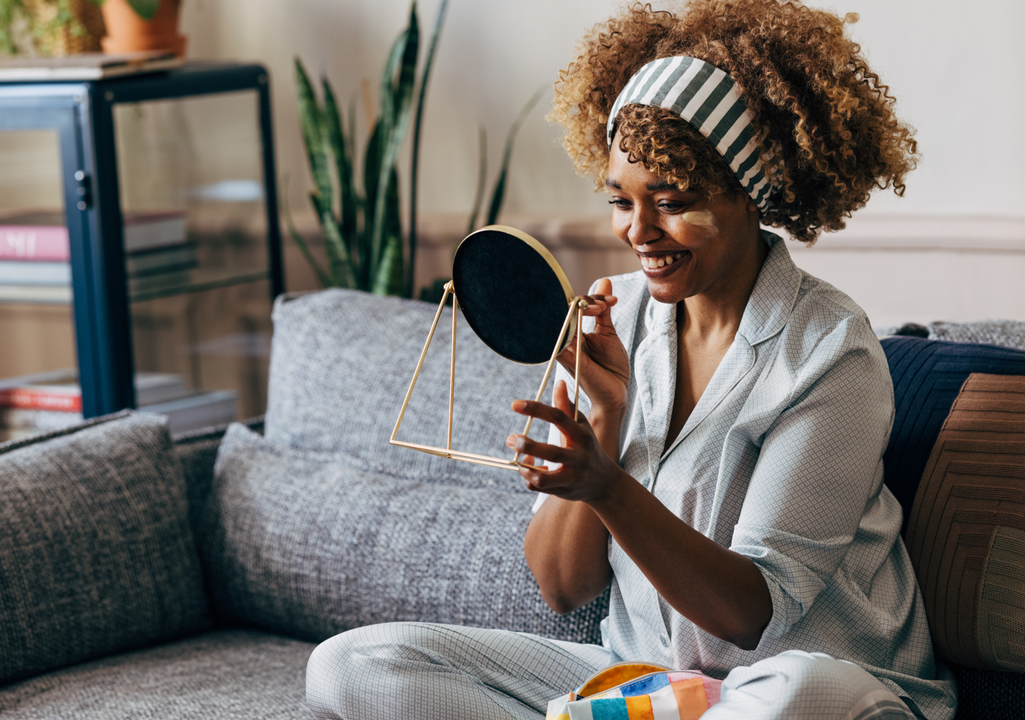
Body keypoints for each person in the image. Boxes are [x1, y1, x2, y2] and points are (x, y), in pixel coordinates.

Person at [306, 1, 957, 718]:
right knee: (353, 665)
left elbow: (750, 615)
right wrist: (606, 417)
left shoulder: (831, 353)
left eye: (672, 200)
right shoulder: (612, 315)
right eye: (621, 200)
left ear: (750, 192)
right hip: (646, 684)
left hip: (808, 682)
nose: (638, 232)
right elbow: (562, 586)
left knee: (802, 694)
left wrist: (609, 486)